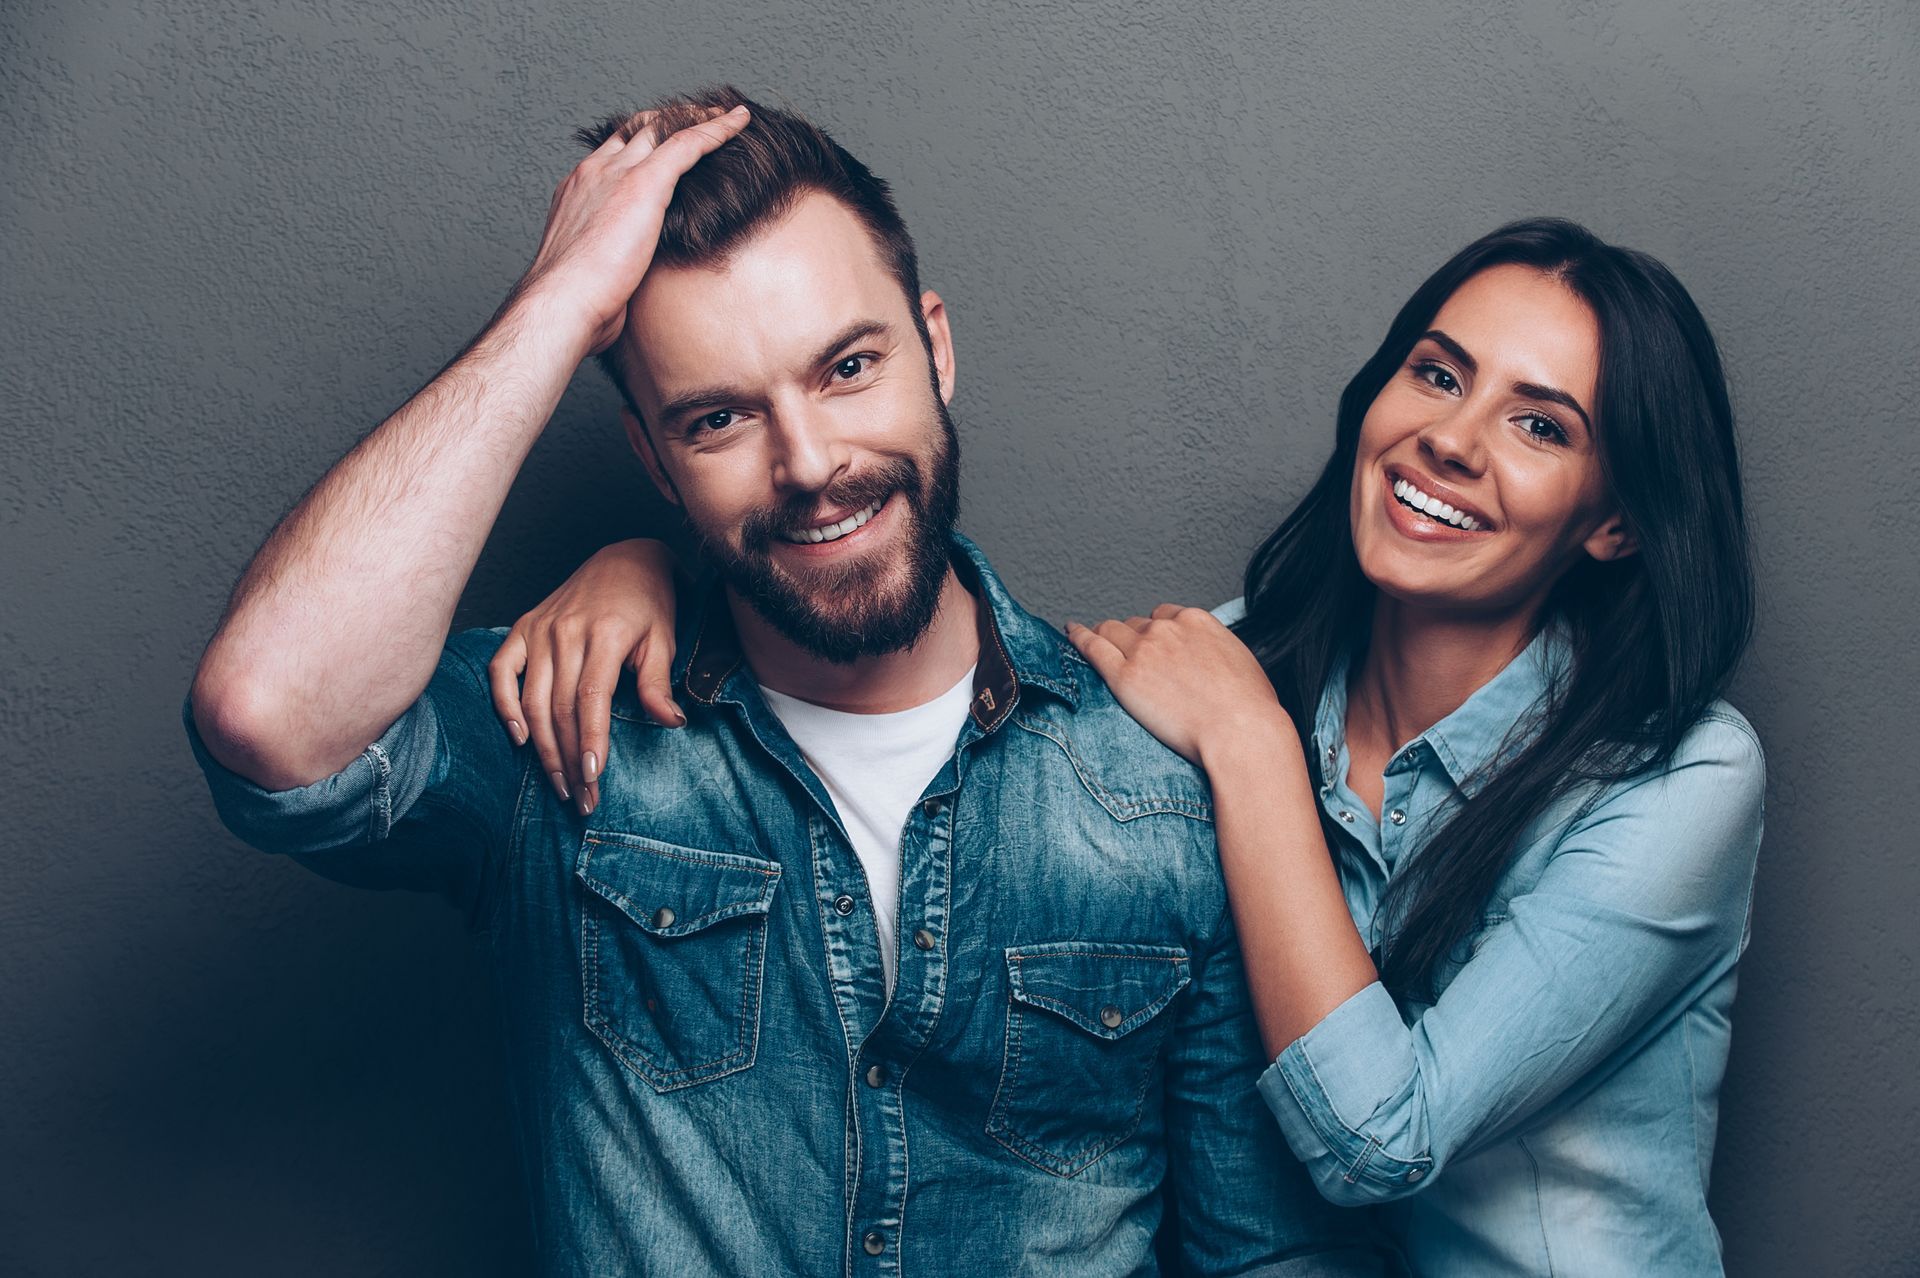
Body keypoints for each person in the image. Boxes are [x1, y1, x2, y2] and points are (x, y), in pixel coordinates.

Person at [182, 87, 1386, 1276]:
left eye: (848, 368)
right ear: (653, 460)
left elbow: (1274, 1257)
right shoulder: (563, 732)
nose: (810, 465)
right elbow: (269, 715)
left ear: (937, 348)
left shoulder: (1158, 784)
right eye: (718, 421)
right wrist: (555, 309)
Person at [504, 218, 1764, 1274]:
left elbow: (1382, 1139)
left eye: (1542, 426)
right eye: (1438, 374)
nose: (1454, 437)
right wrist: (659, 569)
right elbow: (975, 673)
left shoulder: (1679, 782)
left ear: (1615, 525)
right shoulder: (1232, 674)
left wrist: (1252, 750)